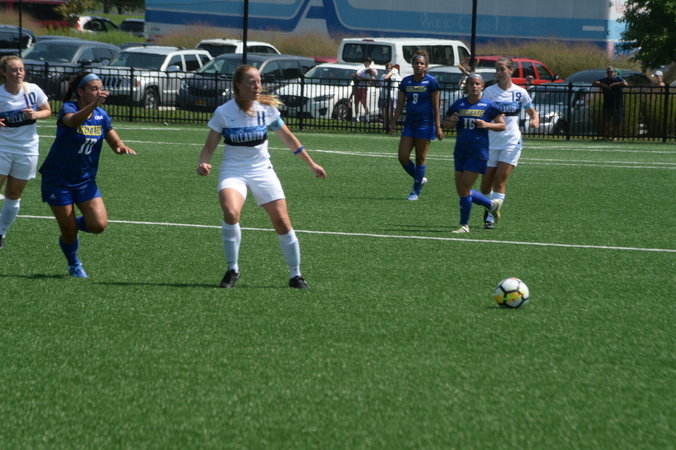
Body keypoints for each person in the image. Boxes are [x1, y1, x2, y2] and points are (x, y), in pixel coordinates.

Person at [196, 65, 326, 289]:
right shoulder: (224, 112)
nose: (258, 86)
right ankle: (232, 269)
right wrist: (203, 162)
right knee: (231, 212)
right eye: (252, 82)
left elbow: (289, 138)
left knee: (282, 222)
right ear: (238, 85)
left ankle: (296, 275)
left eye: (259, 81)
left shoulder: (267, 110)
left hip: (262, 170)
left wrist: (311, 163)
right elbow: (209, 146)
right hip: (233, 170)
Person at [39, 72, 136, 278]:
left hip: (85, 181)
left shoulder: (101, 116)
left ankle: (70, 225)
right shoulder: (69, 108)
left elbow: (114, 141)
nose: (99, 92)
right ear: (80, 91)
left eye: (100, 88)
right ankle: (73, 262)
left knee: (98, 225)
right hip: (58, 179)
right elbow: (73, 122)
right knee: (69, 232)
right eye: (93, 89)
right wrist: (93, 105)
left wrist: (120, 147)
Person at [480, 57, 539, 229]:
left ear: (511, 70)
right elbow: (481, 112)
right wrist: (492, 116)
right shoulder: (489, 92)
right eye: (497, 70)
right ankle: (490, 204)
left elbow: (532, 112)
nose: (499, 73)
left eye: (502, 69)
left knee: (500, 179)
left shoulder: (520, 92)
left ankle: (490, 217)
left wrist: (535, 120)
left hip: (511, 142)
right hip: (490, 142)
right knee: (485, 186)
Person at [443, 73, 506, 233]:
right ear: (467, 86)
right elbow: (446, 124)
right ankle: (491, 205)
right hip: (460, 151)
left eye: (477, 84)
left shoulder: (489, 105)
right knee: (461, 189)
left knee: (464, 187)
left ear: (482, 86)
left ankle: (464, 225)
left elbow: (502, 125)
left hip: (478, 151)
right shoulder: (459, 104)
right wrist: (450, 122)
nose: (474, 86)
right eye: (471, 83)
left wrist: (487, 124)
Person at [0, 55, 51, 249]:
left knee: (14, 194)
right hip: (2, 147)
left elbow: (47, 110)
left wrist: (36, 114)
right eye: (13, 70)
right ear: (4, 72)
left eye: (21, 69)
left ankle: (1, 232)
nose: (18, 73)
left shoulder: (33, 90)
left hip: (27, 149)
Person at [390, 50, 444, 201]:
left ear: (425, 66)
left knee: (420, 158)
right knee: (402, 156)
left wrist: (438, 127)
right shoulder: (406, 82)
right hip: (410, 124)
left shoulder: (431, 82)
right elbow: (400, 103)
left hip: (425, 125)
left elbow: (436, 106)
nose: (419, 65)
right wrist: (393, 121)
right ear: (412, 65)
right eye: (416, 63)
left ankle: (415, 191)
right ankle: (419, 178)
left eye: (422, 63)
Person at [592, 66, 627, 141]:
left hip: (617, 104)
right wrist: (603, 85)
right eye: (608, 72)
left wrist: (614, 84)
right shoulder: (605, 80)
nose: (610, 73)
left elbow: (625, 83)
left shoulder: (618, 79)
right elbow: (594, 82)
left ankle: (615, 136)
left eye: (611, 72)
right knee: (606, 121)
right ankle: (605, 136)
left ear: (614, 72)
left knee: (617, 121)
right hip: (607, 104)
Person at [352, 57, 377, 123]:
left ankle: (367, 118)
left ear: (369, 63)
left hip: (364, 88)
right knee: (356, 103)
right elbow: (357, 75)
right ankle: (357, 118)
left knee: (364, 103)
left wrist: (369, 79)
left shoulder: (371, 70)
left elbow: (372, 79)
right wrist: (365, 79)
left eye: (368, 62)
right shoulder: (361, 69)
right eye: (365, 62)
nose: (366, 63)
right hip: (358, 88)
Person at [377, 62, 401, 131]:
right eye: (387, 68)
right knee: (384, 111)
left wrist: (391, 73)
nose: (388, 69)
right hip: (383, 95)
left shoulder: (395, 76)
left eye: (390, 68)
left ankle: (392, 126)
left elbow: (386, 78)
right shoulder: (383, 75)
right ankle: (385, 126)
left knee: (392, 112)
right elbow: (380, 82)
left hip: (392, 96)